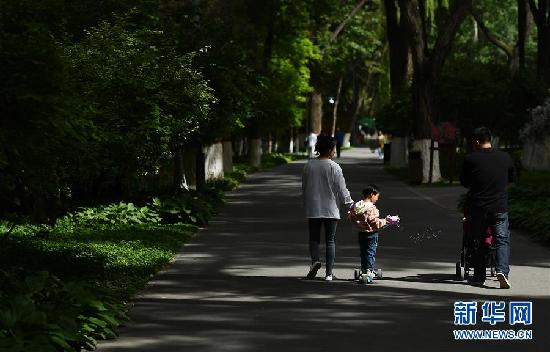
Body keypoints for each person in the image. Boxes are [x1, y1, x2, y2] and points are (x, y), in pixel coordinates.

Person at [460, 127, 515, 288]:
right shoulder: (505, 157)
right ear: (490, 139)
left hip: (478, 207)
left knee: (478, 241)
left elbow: (465, 182)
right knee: (502, 240)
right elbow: (511, 180)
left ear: (476, 141)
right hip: (499, 206)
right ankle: (502, 272)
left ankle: (478, 276)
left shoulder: (470, 159)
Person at [302, 134, 353, 281]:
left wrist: (306, 204)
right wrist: (351, 205)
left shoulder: (309, 165)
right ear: (330, 149)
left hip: (313, 207)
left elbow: (304, 187)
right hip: (331, 209)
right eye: (335, 147)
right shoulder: (334, 167)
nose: (335, 150)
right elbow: (342, 189)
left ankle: (315, 261)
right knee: (330, 240)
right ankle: (329, 274)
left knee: (314, 238)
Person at [348, 185, 399, 284]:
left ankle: (364, 270)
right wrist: (386, 221)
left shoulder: (358, 205)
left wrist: (359, 224)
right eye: (377, 197)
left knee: (363, 253)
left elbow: (351, 216)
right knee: (370, 253)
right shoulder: (370, 207)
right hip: (372, 234)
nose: (377, 199)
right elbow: (374, 222)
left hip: (361, 233)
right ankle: (369, 271)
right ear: (372, 195)